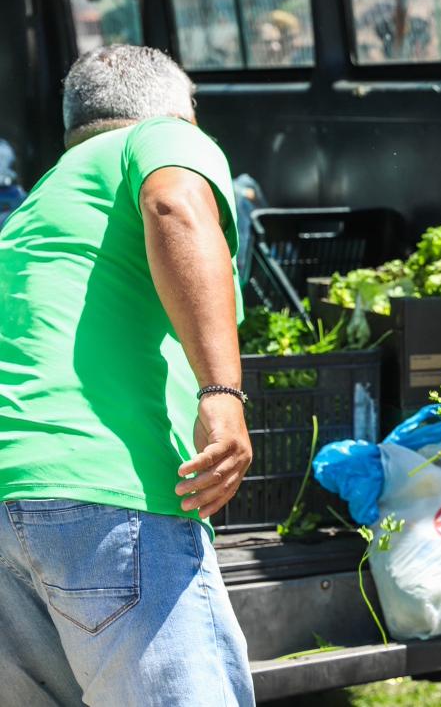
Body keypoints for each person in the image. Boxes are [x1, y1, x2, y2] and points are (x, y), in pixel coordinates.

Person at [0, 45, 254, 706]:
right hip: (104, 491)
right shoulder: (161, 139)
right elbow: (174, 204)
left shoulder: (34, 210)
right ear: (184, 112)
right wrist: (222, 392)